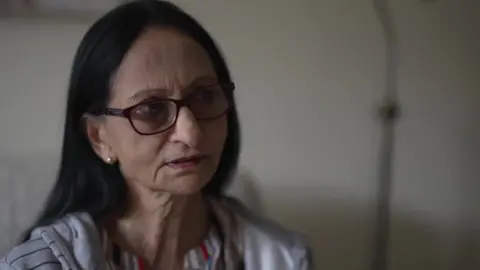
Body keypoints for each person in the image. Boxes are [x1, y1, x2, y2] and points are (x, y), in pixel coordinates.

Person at [0, 1, 313, 269]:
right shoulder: (47, 262)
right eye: (151, 109)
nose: (191, 132)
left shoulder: (280, 258)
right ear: (99, 137)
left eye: (204, 97)